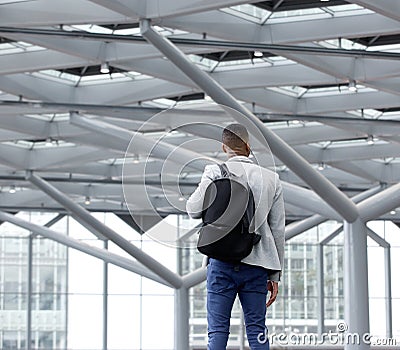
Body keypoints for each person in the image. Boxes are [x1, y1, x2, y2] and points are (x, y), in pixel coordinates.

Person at [186, 123, 285, 349]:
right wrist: (276, 275)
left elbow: (193, 209)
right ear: (248, 146)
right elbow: (278, 229)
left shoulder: (214, 171)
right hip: (258, 266)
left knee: (218, 332)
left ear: (224, 147)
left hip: (221, 262)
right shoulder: (271, 179)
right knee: (257, 331)